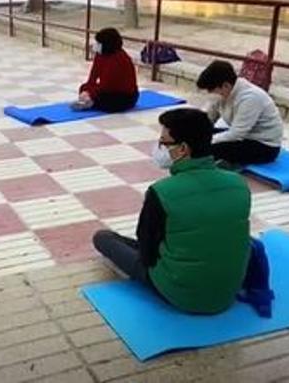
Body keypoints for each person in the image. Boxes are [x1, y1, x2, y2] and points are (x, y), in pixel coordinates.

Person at [92, 107, 255, 315]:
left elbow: (147, 250)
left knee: (104, 238)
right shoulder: (239, 183)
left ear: (183, 149)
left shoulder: (162, 191)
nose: (160, 148)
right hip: (228, 290)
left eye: (164, 143)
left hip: (181, 292)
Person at [197, 60, 283, 167]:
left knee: (204, 149)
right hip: (245, 137)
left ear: (226, 85)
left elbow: (236, 134)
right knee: (198, 135)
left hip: (264, 146)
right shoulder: (224, 93)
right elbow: (207, 120)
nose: (211, 94)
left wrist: (204, 142)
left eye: (212, 90)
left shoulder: (250, 98)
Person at [72, 28, 138, 112]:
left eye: (99, 43)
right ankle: (89, 101)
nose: (96, 45)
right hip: (107, 89)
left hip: (124, 95)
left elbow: (106, 85)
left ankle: (90, 102)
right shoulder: (100, 54)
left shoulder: (119, 59)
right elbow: (93, 75)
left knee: (107, 101)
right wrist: (86, 90)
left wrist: (90, 94)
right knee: (84, 87)